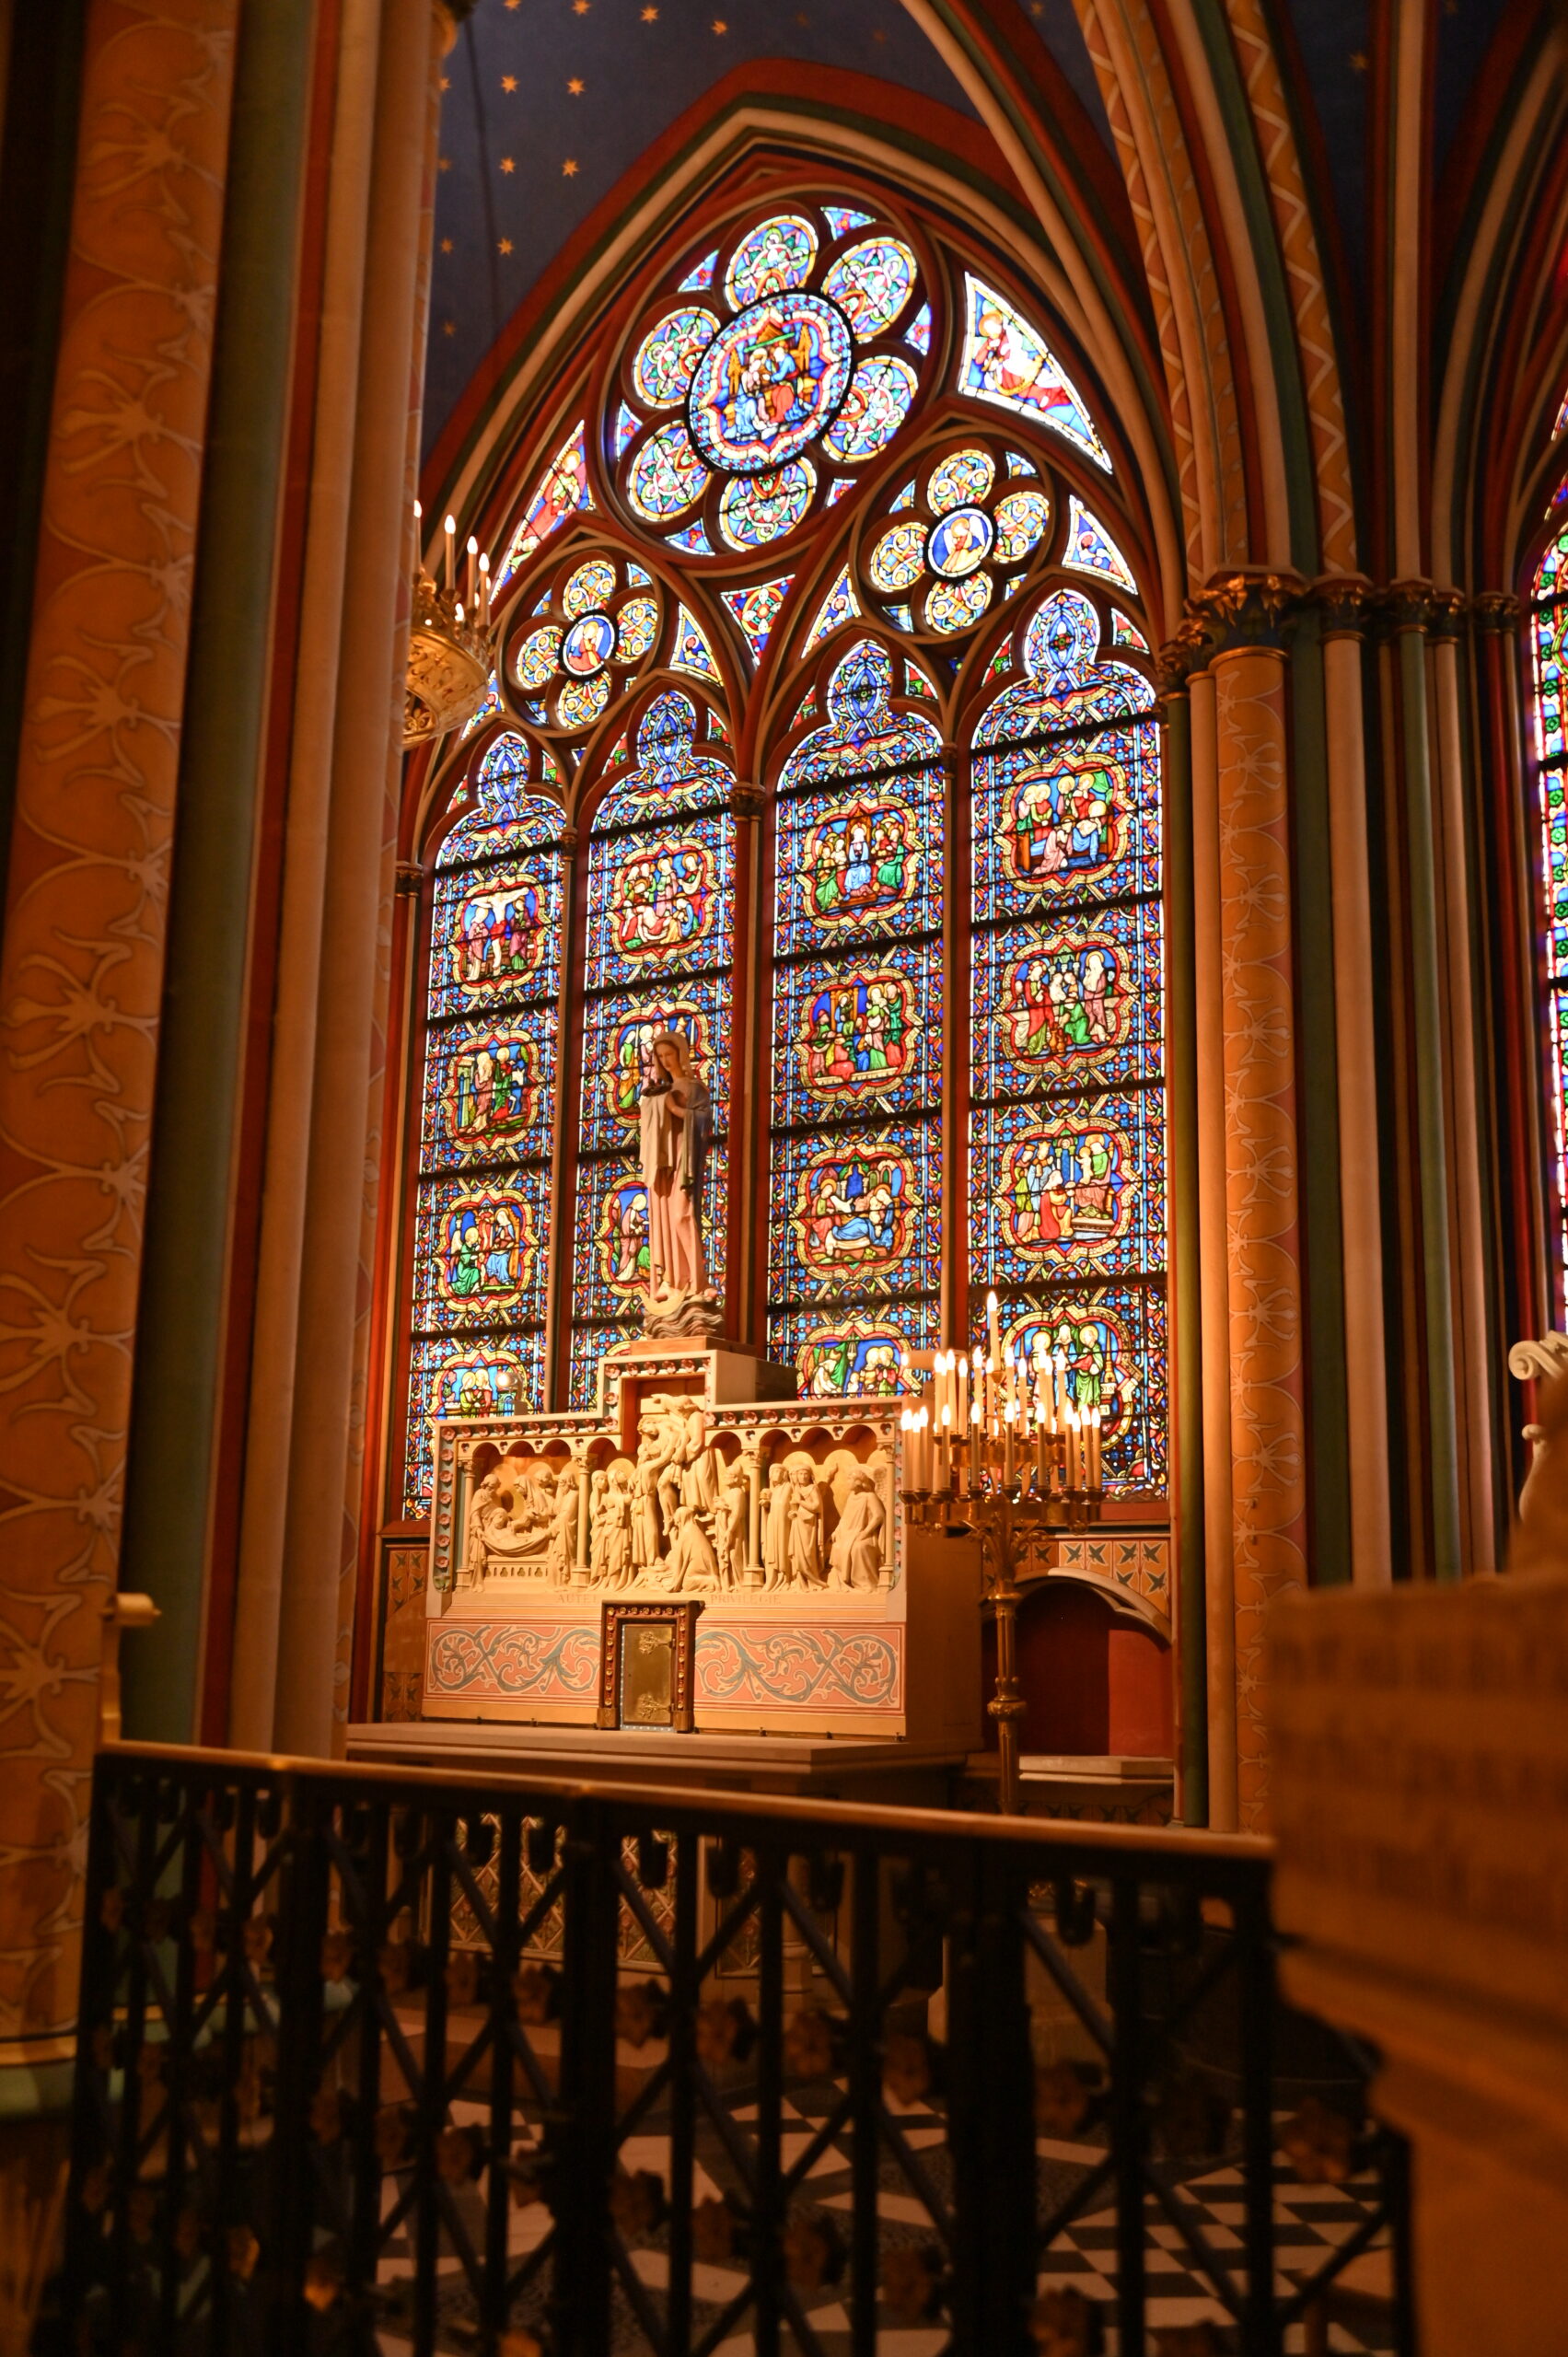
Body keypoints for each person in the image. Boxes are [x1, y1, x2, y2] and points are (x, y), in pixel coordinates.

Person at [637, 1031, 712, 1297]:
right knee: (664, 1219)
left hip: (683, 1158)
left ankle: (697, 1282)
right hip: (662, 1163)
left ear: (680, 1054)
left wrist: (674, 1109)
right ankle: (671, 1279)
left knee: (683, 1214)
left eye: (669, 1054)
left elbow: (703, 1122)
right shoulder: (660, 1090)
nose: (666, 1060)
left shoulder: (694, 1089)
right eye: (660, 1056)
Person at [829, 1472, 885, 1591]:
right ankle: (844, 1582)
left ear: (858, 1482)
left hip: (866, 1534)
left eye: (850, 1480)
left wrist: (865, 1532)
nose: (847, 1483)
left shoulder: (869, 1497)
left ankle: (865, 1583)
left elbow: (878, 1516)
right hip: (848, 1534)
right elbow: (845, 1518)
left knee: (859, 1548)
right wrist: (836, 1531)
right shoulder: (851, 1497)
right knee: (837, 1546)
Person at [788, 1462, 825, 1585]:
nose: (803, 1476)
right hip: (797, 1523)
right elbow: (794, 1508)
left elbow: (816, 1507)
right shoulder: (796, 1489)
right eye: (800, 1474)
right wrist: (792, 1514)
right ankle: (800, 1582)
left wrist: (800, 1502)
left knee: (808, 1553)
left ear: (810, 1476)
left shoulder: (813, 1488)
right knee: (797, 1553)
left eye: (806, 1474)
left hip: (809, 1524)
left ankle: (813, 1580)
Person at [761, 1462, 793, 1587]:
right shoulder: (774, 1490)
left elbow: (783, 1505)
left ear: (784, 1474)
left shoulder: (788, 1487)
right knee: (770, 1549)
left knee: (782, 1547)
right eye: (773, 1472)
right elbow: (774, 1506)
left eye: (778, 1471)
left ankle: (784, 1577)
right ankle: (771, 1578)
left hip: (783, 1524)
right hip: (772, 1523)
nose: (775, 1474)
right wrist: (766, 1504)